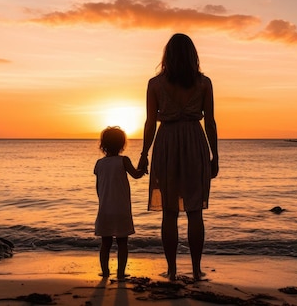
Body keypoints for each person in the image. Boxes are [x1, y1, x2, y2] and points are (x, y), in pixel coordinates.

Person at [138, 33, 219, 281]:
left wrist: (144, 154)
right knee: (195, 212)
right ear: (192, 55)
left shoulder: (155, 84)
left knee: (169, 212)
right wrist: (215, 155)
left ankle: (172, 270)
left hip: (167, 143)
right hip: (195, 142)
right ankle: (196, 270)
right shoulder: (204, 83)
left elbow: (150, 123)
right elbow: (211, 123)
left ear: (167, 56)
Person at [94, 126, 145, 279]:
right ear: (122, 144)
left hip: (105, 209)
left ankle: (105, 272)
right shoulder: (124, 160)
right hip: (121, 209)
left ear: (103, 145)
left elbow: (98, 188)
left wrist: (103, 201)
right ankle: (121, 273)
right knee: (122, 243)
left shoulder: (99, 164)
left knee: (105, 244)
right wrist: (144, 166)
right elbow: (136, 175)